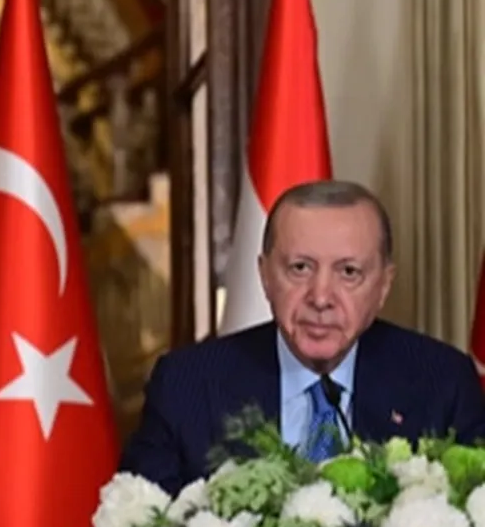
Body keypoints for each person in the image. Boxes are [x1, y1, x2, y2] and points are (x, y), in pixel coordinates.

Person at [120, 180, 485, 495]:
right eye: (300, 268)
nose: (321, 297)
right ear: (265, 275)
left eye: (349, 272)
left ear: (384, 285)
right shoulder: (186, 384)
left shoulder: (442, 382)